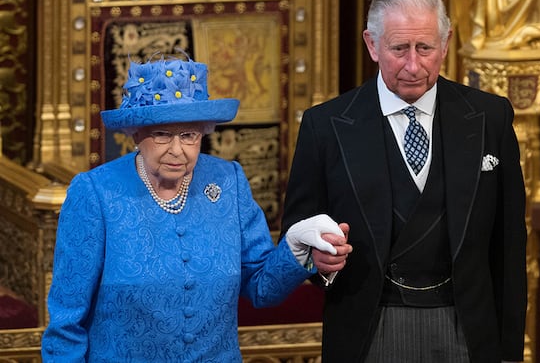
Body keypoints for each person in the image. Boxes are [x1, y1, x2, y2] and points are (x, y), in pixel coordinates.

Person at [41, 53, 351, 362]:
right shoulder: (96, 193)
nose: (177, 150)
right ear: (136, 133)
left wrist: (296, 246)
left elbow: (262, 287)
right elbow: (67, 323)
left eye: (189, 135)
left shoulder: (228, 181)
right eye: (162, 134)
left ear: (203, 132)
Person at [281, 0, 527, 362]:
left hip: (468, 328)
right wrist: (320, 262)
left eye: (425, 47)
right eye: (399, 48)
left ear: (445, 44)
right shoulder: (325, 126)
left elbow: (509, 247)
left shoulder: (489, 118)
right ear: (372, 45)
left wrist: (510, 353)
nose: (413, 65)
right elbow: (298, 232)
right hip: (370, 330)